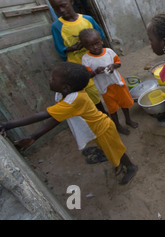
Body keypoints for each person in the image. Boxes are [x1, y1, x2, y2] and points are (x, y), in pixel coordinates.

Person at [0, 62, 137, 185]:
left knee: (116, 151)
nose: (49, 79)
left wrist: (7, 125)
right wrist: (34, 137)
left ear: (66, 87)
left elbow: (43, 115)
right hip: (96, 130)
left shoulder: (74, 100)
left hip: (103, 130)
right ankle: (117, 162)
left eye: (53, 79)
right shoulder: (64, 94)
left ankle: (130, 166)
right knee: (109, 150)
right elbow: (56, 117)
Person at [47, 0, 106, 114]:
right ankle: (102, 113)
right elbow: (60, 49)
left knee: (105, 86)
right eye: (56, 8)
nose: (61, 10)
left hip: (96, 62)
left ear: (71, 2)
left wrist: (89, 43)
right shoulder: (57, 26)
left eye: (63, 5)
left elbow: (101, 36)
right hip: (79, 68)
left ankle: (112, 109)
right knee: (91, 94)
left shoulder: (87, 20)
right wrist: (71, 48)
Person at [79, 28, 138, 135]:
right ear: (85, 47)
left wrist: (113, 66)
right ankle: (118, 125)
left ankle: (128, 120)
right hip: (105, 88)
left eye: (97, 43)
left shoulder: (109, 52)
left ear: (101, 41)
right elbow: (88, 75)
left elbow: (118, 63)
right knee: (112, 109)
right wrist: (96, 72)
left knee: (124, 104)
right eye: (90, 45)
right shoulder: (86, 59)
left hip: (117, 83)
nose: (95, 47)